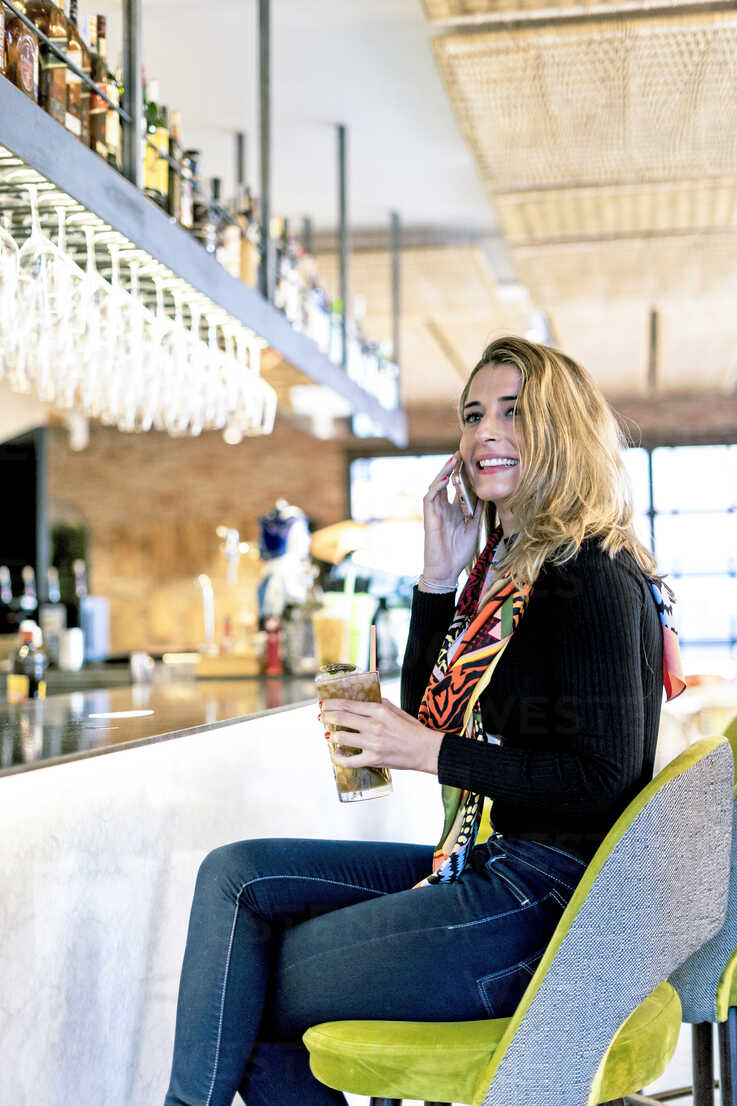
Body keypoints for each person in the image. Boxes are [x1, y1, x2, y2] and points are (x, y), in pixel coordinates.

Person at [163, 336, 685, 1106]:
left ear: (564, 429)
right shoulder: (518, 572)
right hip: (495, 864)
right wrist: (438, 575)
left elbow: (599, 780)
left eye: (514, 413)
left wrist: (431, 753)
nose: (482, 434)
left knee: (245, 989)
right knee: (235, 878)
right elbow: (435, 705)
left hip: (545, 905)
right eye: (472, 415)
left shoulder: (587, 572)